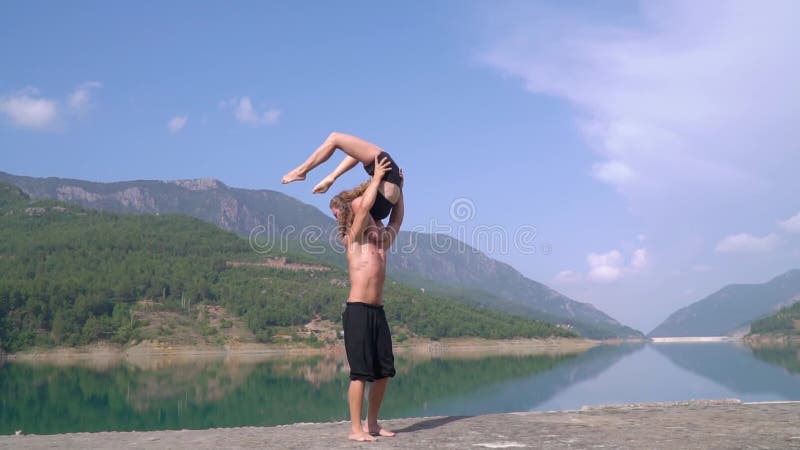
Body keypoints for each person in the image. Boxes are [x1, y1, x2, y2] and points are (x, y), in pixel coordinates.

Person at [329, 155, 404, 442]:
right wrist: (375, 180)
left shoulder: (382, 240)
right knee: (360, 373)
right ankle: (355, 429)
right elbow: (362, 213)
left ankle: (372, 424)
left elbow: (397, 218)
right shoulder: (352, 237)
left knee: (384, 371)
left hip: (377, 311)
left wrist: (400, 191)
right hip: (358, 310)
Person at [282, 132, 403, 221]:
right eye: (335, 215)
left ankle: (326, 176)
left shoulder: (370, 217)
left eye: (335, 215)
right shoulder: (359, 208)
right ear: (345, 205)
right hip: (388, 177)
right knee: (334, 138)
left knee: (354, 152)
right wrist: (377, 179)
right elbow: (395, 224)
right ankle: (302, 171)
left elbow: (355, 155)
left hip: (387, 193)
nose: (336, 219)